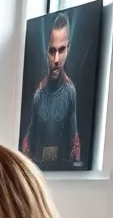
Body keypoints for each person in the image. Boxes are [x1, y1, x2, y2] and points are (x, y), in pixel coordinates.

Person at [21, 12, 81, 169]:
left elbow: (74, 138)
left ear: (68, 49)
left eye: (61, 50)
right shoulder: (39, 94)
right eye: (52, 51)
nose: (56, 60)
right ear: (46, 50)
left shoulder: (70, 92)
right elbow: (29, 138)